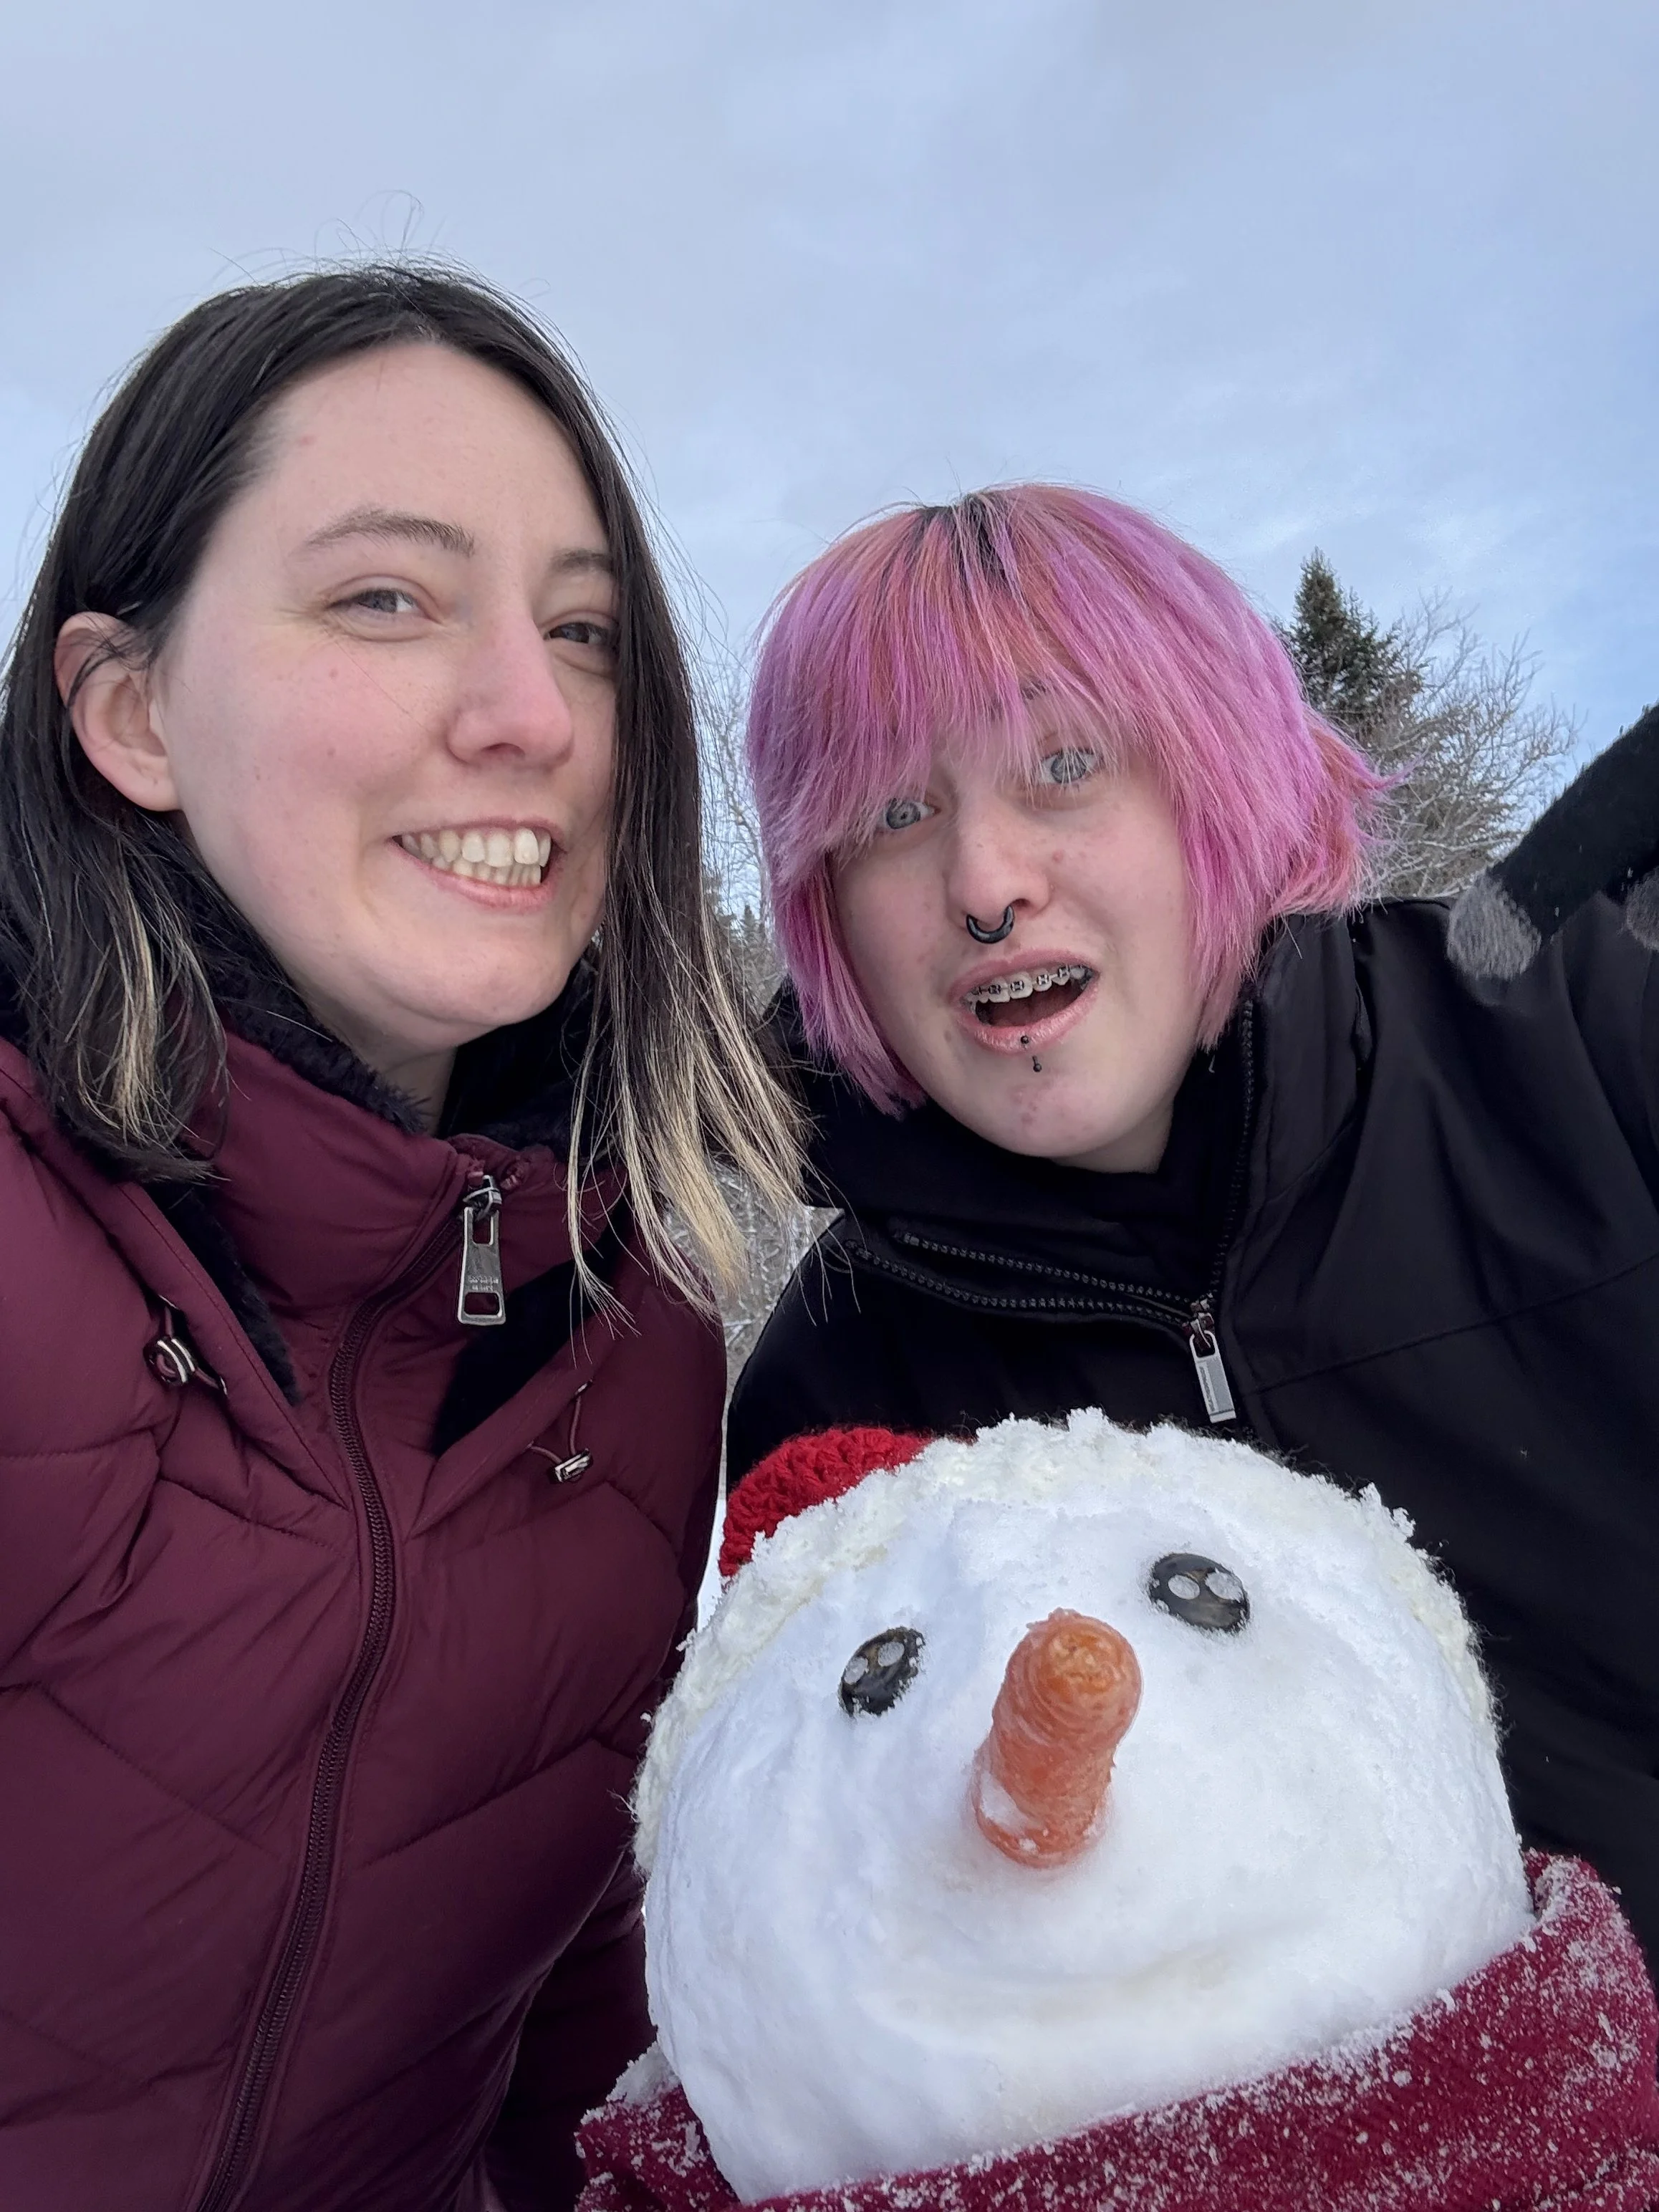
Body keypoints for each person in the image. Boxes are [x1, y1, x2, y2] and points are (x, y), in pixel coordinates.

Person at [0, 264, 798, 2212]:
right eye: (384, 598)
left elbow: (562, 1999)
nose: (533, 715)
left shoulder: (634, 1324)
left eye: (587, 631)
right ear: (130, 711)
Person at [728, 484, 1659, 1978]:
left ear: (1216, 783)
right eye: (893, 813)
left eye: (1068, 763)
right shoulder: (834, 1386)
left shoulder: (1577, 1045)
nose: (983, 881)